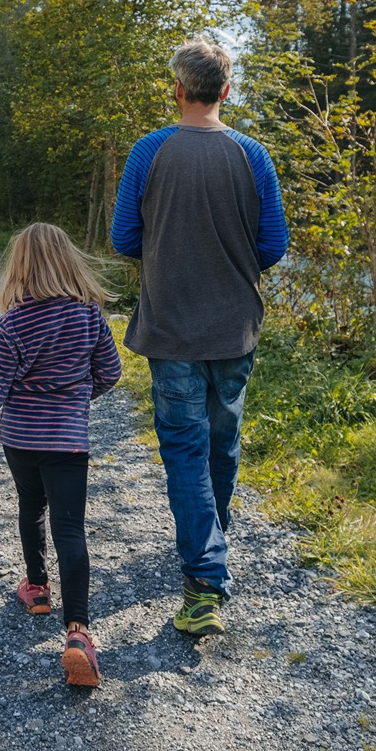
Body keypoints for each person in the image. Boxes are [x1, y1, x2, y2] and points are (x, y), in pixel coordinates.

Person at [110, 38, 287, 637]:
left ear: (178, 90)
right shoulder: (252, 154)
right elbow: (273, 245)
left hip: (172, 326)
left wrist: (170, 246)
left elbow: (124, 238)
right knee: (221, 442)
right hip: (236, 327)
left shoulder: (149, 152)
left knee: (185, 450)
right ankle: (210, 542)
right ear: (226, 91)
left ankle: (206, 578)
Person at [0, 222, 122, 686]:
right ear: (68, 260)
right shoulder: (89, 315)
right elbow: (110, 373)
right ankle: (78, 633)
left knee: (31, 507)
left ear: (20, 267)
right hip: (68, 441)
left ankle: (36, 588)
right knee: (70, 528)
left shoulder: (13, 322)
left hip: (20, 438)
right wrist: (74, 401)